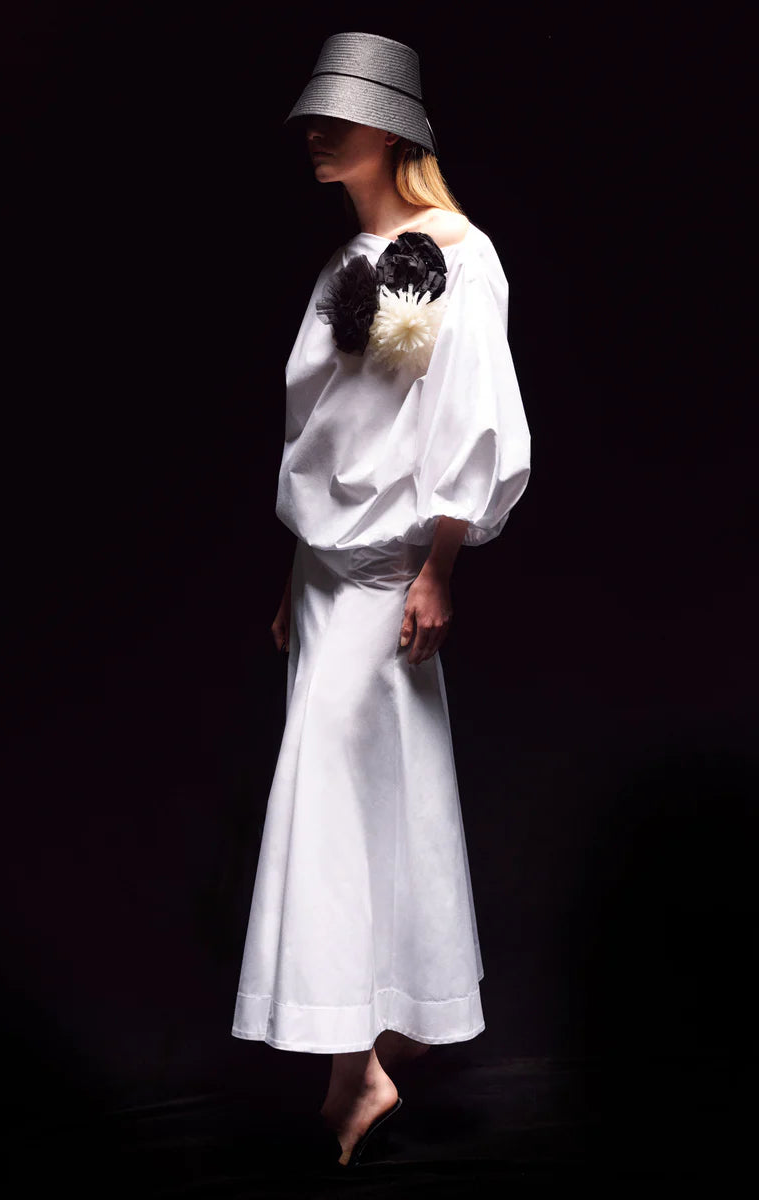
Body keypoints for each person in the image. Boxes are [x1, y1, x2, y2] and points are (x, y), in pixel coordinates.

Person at [230, 32, 531, 1169]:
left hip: (387, 572)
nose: (318, 131)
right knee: (365, 805)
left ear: (393, 127)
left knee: (336, 803)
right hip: (323, 577)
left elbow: (471, 418)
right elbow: (322, 432)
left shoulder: (462, 257)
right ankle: (371, 1050)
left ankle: (357, 1067)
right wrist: (290, 572)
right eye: (313, 114)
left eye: (340, 114)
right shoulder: (339, 265)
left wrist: (441, 564)